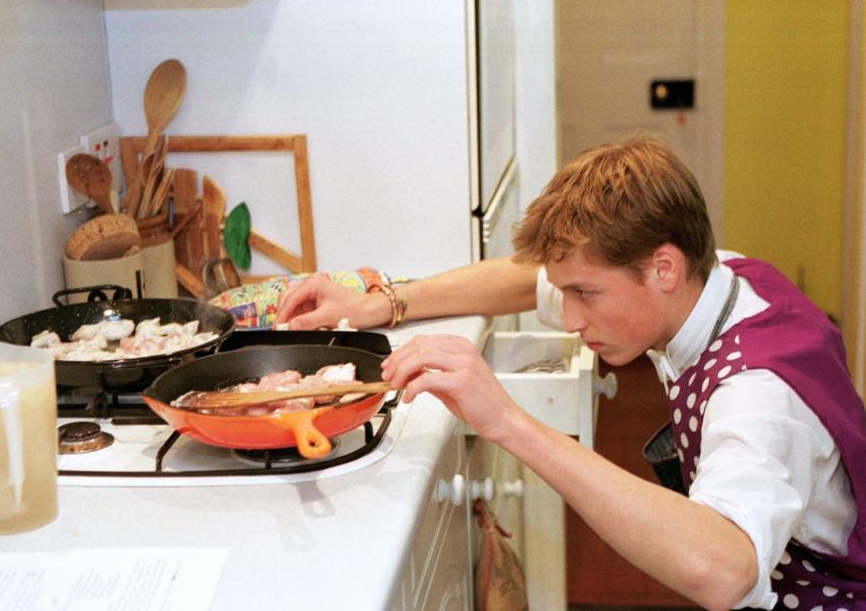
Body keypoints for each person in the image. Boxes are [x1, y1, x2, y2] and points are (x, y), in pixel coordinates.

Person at [275, 138, 866, 610]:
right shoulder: (717, 277)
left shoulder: (756, 397)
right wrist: (385, 303)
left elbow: (723, 573)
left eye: (585, 294)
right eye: (568, 292)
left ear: (663, 267)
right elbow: (524, 279)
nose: (571, 317)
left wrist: (508, 420)